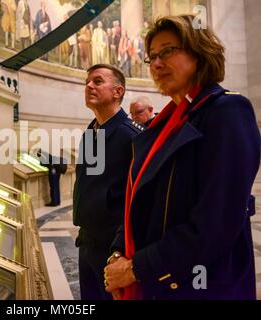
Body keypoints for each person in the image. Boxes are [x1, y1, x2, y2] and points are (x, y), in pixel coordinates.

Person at [104, 15, 261, 300]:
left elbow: (215, 224)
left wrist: (136, 268)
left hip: (204, 287)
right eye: (151, 56)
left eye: (167, 51)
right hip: (158, 284)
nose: (156, 63)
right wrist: (118, 253)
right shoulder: (161, 125)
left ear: (199, 51)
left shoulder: (227, 111)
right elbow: (140, 203)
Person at [73, 64, 142, 300]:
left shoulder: (132, 136)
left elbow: (139, 198)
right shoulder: (91, 132)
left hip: (114, 249)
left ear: (118, 91)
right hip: (87, 243)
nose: (89, 85)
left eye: (98, 81)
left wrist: (121, 249)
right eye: (87, 82)